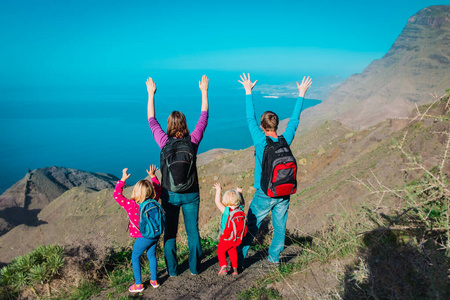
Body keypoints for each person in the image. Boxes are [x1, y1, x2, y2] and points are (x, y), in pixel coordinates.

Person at [237, 73, 312, 266]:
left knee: (251, 226)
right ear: (277, 125)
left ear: (262, 126)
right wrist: (301, 94)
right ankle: (273, 259)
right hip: (284, 190)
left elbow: (248, 117)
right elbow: (295, 121)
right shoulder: (284, 140)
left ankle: (238, 259)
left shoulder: (261, 140)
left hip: (264, 192)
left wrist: (248, 91)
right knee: (280, 227)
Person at [147, 75, 209, 276]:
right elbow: (204, 117)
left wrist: (150, 94)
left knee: (170, 234)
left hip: (170, 194)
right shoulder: (193, 141)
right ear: (184, 124)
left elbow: (151, 120)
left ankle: (172, 271)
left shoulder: (164, 141)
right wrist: (204, 91)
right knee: (193, 232)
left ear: (170, 126)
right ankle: (194, 268)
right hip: (191, 193)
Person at [113, 165, 162, 293]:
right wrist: (153, 176)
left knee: (135, 257)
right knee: (151, 255)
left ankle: (138, 285)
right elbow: (159, 189)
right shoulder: (154, 200)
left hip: (143, 237)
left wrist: (122, 180)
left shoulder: (131, 205)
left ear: (135, 192)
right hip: (155, 234)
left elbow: (117, 195)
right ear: (150, 192)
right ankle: (154, 280)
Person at [213, 183, 245, 276]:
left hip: (226, 236)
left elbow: (217, 202)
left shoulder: (226, 210)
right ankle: (234, 269)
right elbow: (243, 203)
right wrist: (240, 193)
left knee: (220, 251)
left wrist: (218, 190)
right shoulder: (240, 209)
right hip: (236, 236)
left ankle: (223, 267)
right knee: (232, 251)